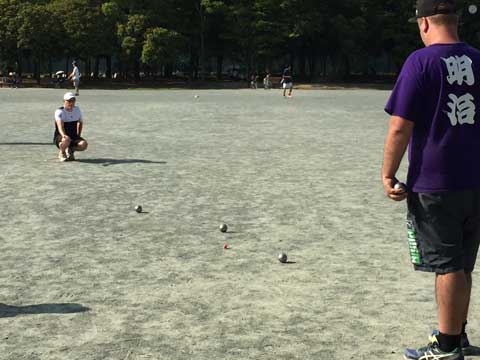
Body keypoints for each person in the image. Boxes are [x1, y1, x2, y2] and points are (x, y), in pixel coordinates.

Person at [382, 0, 480, 359]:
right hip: (475, 181)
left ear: (423, 23)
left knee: (448, 266)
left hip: (436, 183)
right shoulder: (477, 60)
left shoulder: (420, 62)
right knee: (462, 264)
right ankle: (455, 333)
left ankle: (448, 346)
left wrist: (387, 172)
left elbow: (399, 127)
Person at [53, 92, 88, 162]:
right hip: (60, 136)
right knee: (66, 139)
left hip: (73, 135)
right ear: (64, 101)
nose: (71, 103)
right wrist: (63, 135)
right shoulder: (59, 111)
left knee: (84, 144)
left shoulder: (77, 110)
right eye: (69, 101)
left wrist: (78, 135)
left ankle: (71, 149)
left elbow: (80, 123)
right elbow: (60, 126)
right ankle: (62, 152)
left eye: (73, 100)